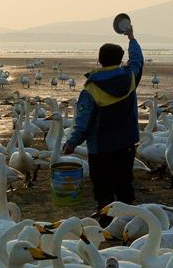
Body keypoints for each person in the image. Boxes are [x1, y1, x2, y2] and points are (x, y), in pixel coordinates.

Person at [62, 25, 144, 220]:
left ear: (99, 60)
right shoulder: (130, 78)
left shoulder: (90, 89)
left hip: (101, 147)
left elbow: (83, 122)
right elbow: (138, 61)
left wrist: (72, 143)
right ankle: (125, 217)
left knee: (103, 184)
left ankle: (106, 218)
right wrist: (131, 38)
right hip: (126, 143)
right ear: (120, 60)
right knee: (124, 181)